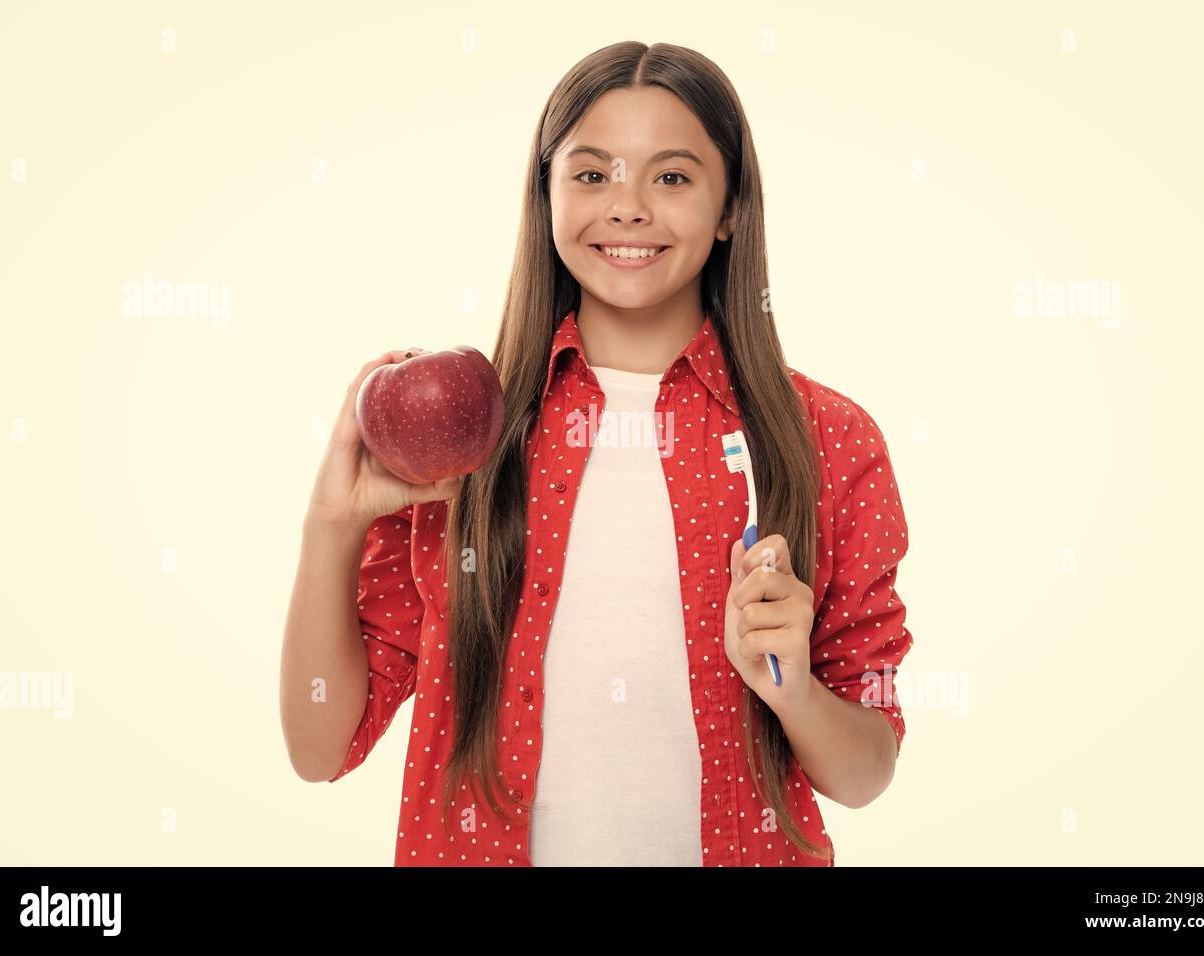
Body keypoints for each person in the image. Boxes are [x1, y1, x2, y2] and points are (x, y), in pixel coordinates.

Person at [280, 40, 914, 867]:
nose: (628, 207)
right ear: (544, 195)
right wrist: (332, 524)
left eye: (673, 177)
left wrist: (789, 684)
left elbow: (865, 775)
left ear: (730, 209)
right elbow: (319, 748)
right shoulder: (464, 444)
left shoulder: (826, 437)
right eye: (592, 174)